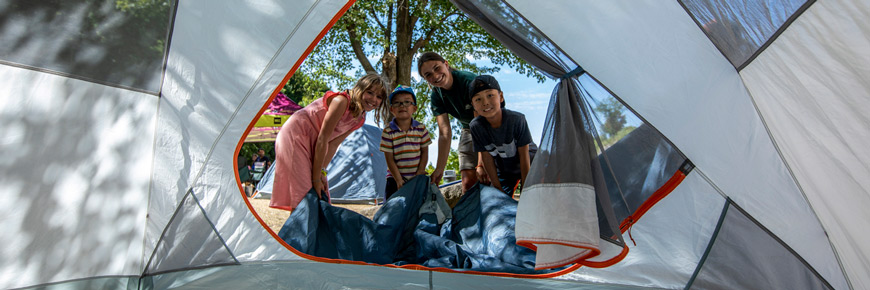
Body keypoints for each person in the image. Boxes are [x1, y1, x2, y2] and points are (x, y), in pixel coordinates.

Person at [270, 73, 390, 211]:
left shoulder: (359, 119)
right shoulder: (341, 101)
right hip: (297, 135)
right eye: (370, 92)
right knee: (305, 193)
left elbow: (333, 144)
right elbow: (323, 138)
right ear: (360, 89)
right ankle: (297, 229)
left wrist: (322, 172)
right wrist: (315, 179)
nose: (374, 99)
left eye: (379, 97)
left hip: (316, 143)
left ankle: (308, 229)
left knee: (321, 193)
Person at [418, 52, 501, 192]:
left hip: (490, 125)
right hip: (468, 129)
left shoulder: (469, 82)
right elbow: (444, 133)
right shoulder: (436, 96)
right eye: (428, 75)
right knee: (468, 183)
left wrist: (481, 164)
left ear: (446, 64)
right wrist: (439, 169)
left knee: (490, 177)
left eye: (437, 68)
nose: (435, 76)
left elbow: (480, 124)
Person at [468, 75, 536, 196]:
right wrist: (497, 187)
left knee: (534, 197)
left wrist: (526, 189)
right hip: (505, 169)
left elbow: (524, 155)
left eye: (490, 95)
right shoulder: (476, 126)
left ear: (501, 96)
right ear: (473, 106)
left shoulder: (517, 119)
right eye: (478, 99)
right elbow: (486, 157)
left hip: (530, 163)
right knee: (496, 199)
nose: (485, 103)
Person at [380, 86, 432, 200]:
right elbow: (389, 158)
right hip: (394, 178)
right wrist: (398, 179)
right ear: (392, 109)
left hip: (416, 176)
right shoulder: (388, 131)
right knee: (391, 208)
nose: (402, 105)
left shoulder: (421, 128)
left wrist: (420, 171)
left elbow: (424, 152)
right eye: (397, 103)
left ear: (414, 108)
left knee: (417, 205)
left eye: (407, 102)